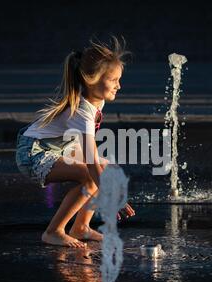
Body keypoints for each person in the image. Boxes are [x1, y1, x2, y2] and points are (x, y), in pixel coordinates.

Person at [15, 36, 136, 248]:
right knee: (91, 175)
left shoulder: (95, 100)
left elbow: (91, 158)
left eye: (119, 79)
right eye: (113, 80)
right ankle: (53, 231)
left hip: (57, 147)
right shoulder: (83, 111)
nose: (119, 85)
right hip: (34, 153)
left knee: (104, 168)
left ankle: (80, 227)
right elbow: (90, 163)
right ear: (91, 80)